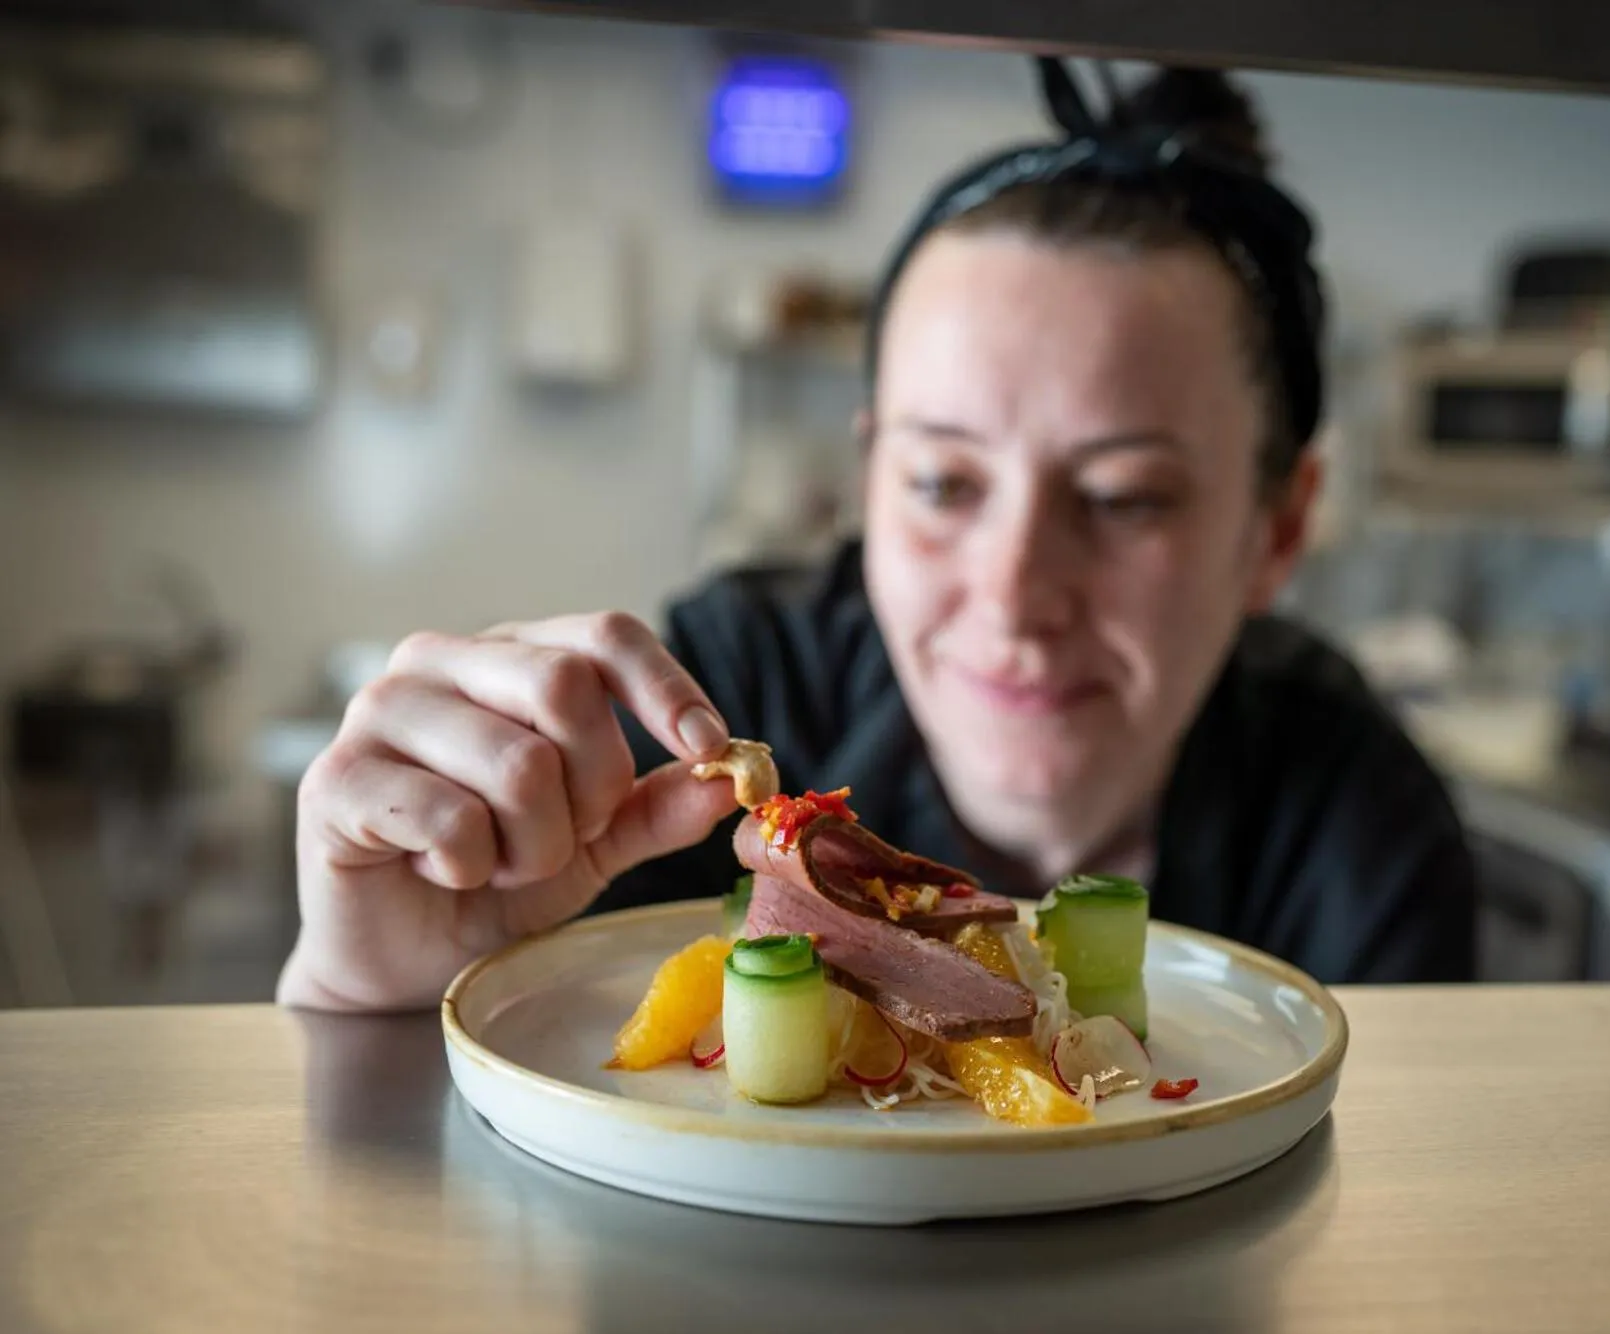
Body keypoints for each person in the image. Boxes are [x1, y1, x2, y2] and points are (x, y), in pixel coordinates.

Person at [278, 60, 1475, 1013]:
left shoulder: (1349, 819)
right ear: (866, 478)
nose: (1011, 596)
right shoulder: (725, 706)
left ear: (1277, 530)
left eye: (1122, 498)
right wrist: (383, 993)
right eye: (945, 483)